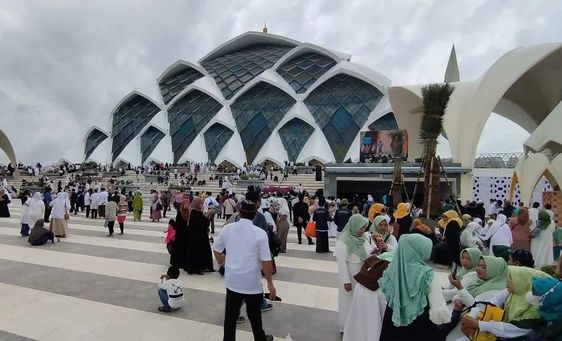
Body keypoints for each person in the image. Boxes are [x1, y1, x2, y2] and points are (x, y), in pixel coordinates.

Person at [212, 200, 276, 341]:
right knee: (255, 318)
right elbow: (266, 261)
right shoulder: (260, 233)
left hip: (232, 281)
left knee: (230, 317)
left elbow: (216, 248)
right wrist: (270, 284)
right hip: (251, 283)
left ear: (239, 213)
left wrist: (221, 262)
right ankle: (260, 338)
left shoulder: (228, 229)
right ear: (254, 215)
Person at [379, 234, 451, 341]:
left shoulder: (392, 269)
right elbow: (438, 311)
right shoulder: (428, 275)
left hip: (392, 324)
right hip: (420, 327)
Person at [460, 266, 551, 340]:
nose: (506, 282)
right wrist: (472, 317)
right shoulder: (512, 293)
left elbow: (516, 330)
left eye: (511, 279)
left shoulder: (535, 306)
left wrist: (479, 324)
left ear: (523, 282)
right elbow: (490, 302)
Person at [334, 214, 375, 333]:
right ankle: (345, 326)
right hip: (350, 275)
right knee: (347, 301)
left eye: (364, 228)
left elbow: (368, 252)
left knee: (359, 301)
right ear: (354, 226)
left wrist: (374, 252)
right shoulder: (343, 241)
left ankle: (357, 325)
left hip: (362, 275)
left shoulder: (363, 239)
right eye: (361, 228)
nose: (363, 230)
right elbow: (341, 263)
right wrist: (346, 281)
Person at [185, 197, 215, 274]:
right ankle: (196, 268)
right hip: (197, 237)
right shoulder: (195, 212)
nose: (201, 205)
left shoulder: (195, 211)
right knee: (197, 252)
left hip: (198, 235)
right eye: (200, 203)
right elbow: (203, 224)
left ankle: (202, 267)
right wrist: (208, 215)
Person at [170, 197, 190, 270]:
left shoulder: (189, 213)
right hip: (179, 234)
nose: (186, 205)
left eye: (188, 204)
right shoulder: (179, 213)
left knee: (185, 248)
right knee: (179, 248)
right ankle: (177, 263)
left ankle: (184, 262)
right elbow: (176, 225)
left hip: (186, 234)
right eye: (185, 204)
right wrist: (174, 233)